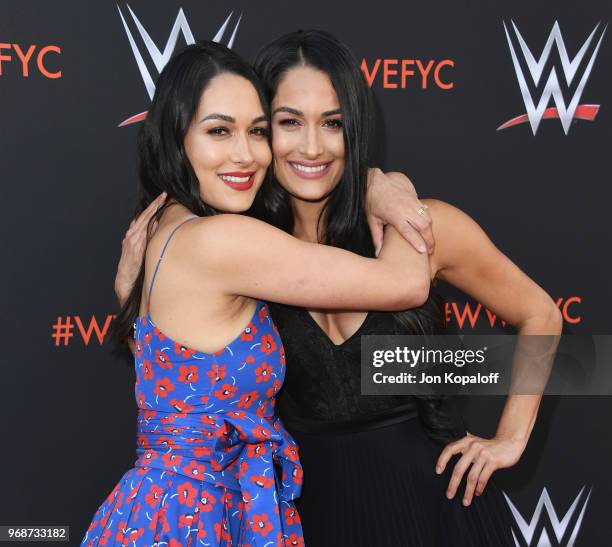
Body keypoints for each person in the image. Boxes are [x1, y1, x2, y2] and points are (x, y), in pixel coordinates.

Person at [115, 32, 562, 546]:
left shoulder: (421, 230)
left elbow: (542, 316)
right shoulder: (243, 250)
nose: (312, 146)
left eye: (333, 123)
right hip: (305, 516)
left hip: (432, 511)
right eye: (287, 123)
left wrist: (510, 438)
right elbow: (185, 374)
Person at [81, 41, 435, 547]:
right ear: (175, 139)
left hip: (172, 510)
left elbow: (180, 382)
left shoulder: (171, 224)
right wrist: (387, 182)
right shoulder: (222, 240)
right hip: (195, 519)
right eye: (219, 131)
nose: (245, 154)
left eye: (258, 131)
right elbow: (406, 282)